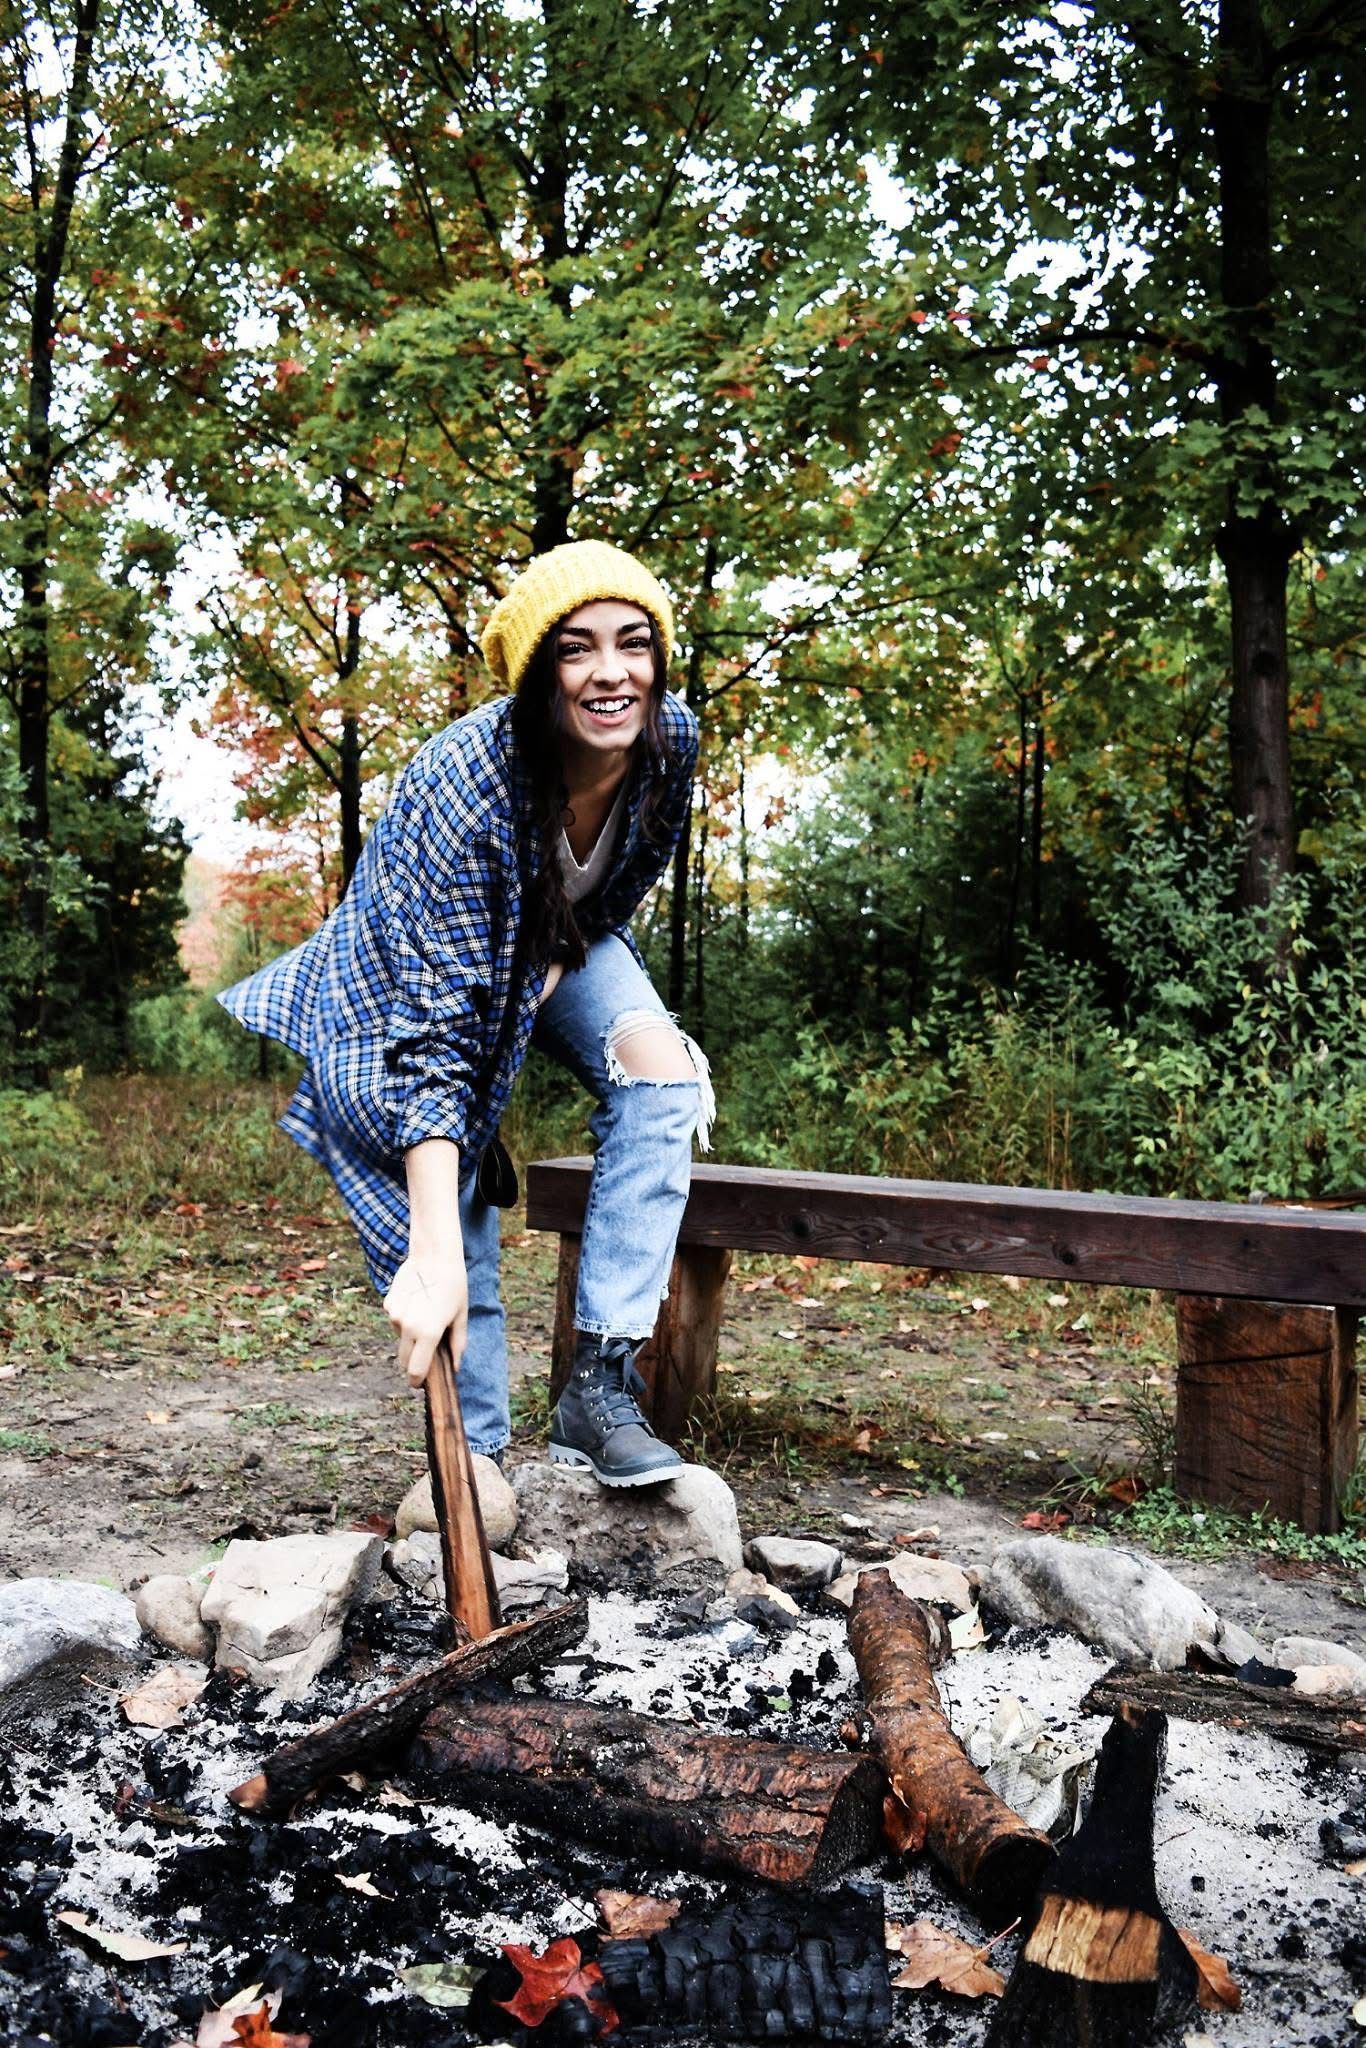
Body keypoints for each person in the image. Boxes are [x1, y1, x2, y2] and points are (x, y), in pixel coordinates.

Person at [218, 539, 712, 1487]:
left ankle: (599, 1385)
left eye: (634, 643)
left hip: (553, 940)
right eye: (577, 649)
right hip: (399, 976)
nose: (612, 673)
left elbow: (628, 877)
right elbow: (435, 1046)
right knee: (456, 1183)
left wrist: (560, 960)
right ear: (536, 673)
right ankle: (476, 1461)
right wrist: (432, 1251)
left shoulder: (670, 740)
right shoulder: (467, 786)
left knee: (661, 1071)